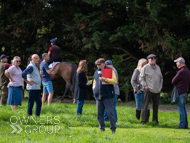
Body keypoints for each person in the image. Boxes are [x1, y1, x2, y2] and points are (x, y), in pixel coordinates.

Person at [93, 58, 117, 133]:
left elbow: (114, 81)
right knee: (99, 114)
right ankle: (101, 129)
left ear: (104, 63)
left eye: (99, 65)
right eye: (97, 65)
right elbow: (94, 82)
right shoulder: (96, 72)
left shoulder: (110, 70)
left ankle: (113, 129)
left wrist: (106, 79)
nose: (98, 66)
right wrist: (94, 89)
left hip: (108, 96)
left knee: (110, 113)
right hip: (98, 96)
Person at [139, 54, 163, 124]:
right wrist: (145, 85)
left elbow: (161, 78)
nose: (153, 59)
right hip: (148, 90)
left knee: (156, 106)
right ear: (148, 60)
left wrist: (160, 87)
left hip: (157, 90)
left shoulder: (158, 67)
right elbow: (141, 78)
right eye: (151, 58)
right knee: (145, 106)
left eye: (154, 58)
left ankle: (155, 121)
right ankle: (143, 121)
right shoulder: (145, 68)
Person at [172, 57, 190, 129]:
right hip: (184, 91)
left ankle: (182, 124)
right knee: (183, 108)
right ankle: (185, 124)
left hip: (180, 91)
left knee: (180, 108)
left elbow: (173, 81)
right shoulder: (187, 70)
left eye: (177, 62)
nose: (176, 63)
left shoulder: (181, 71)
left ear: (180, 63)